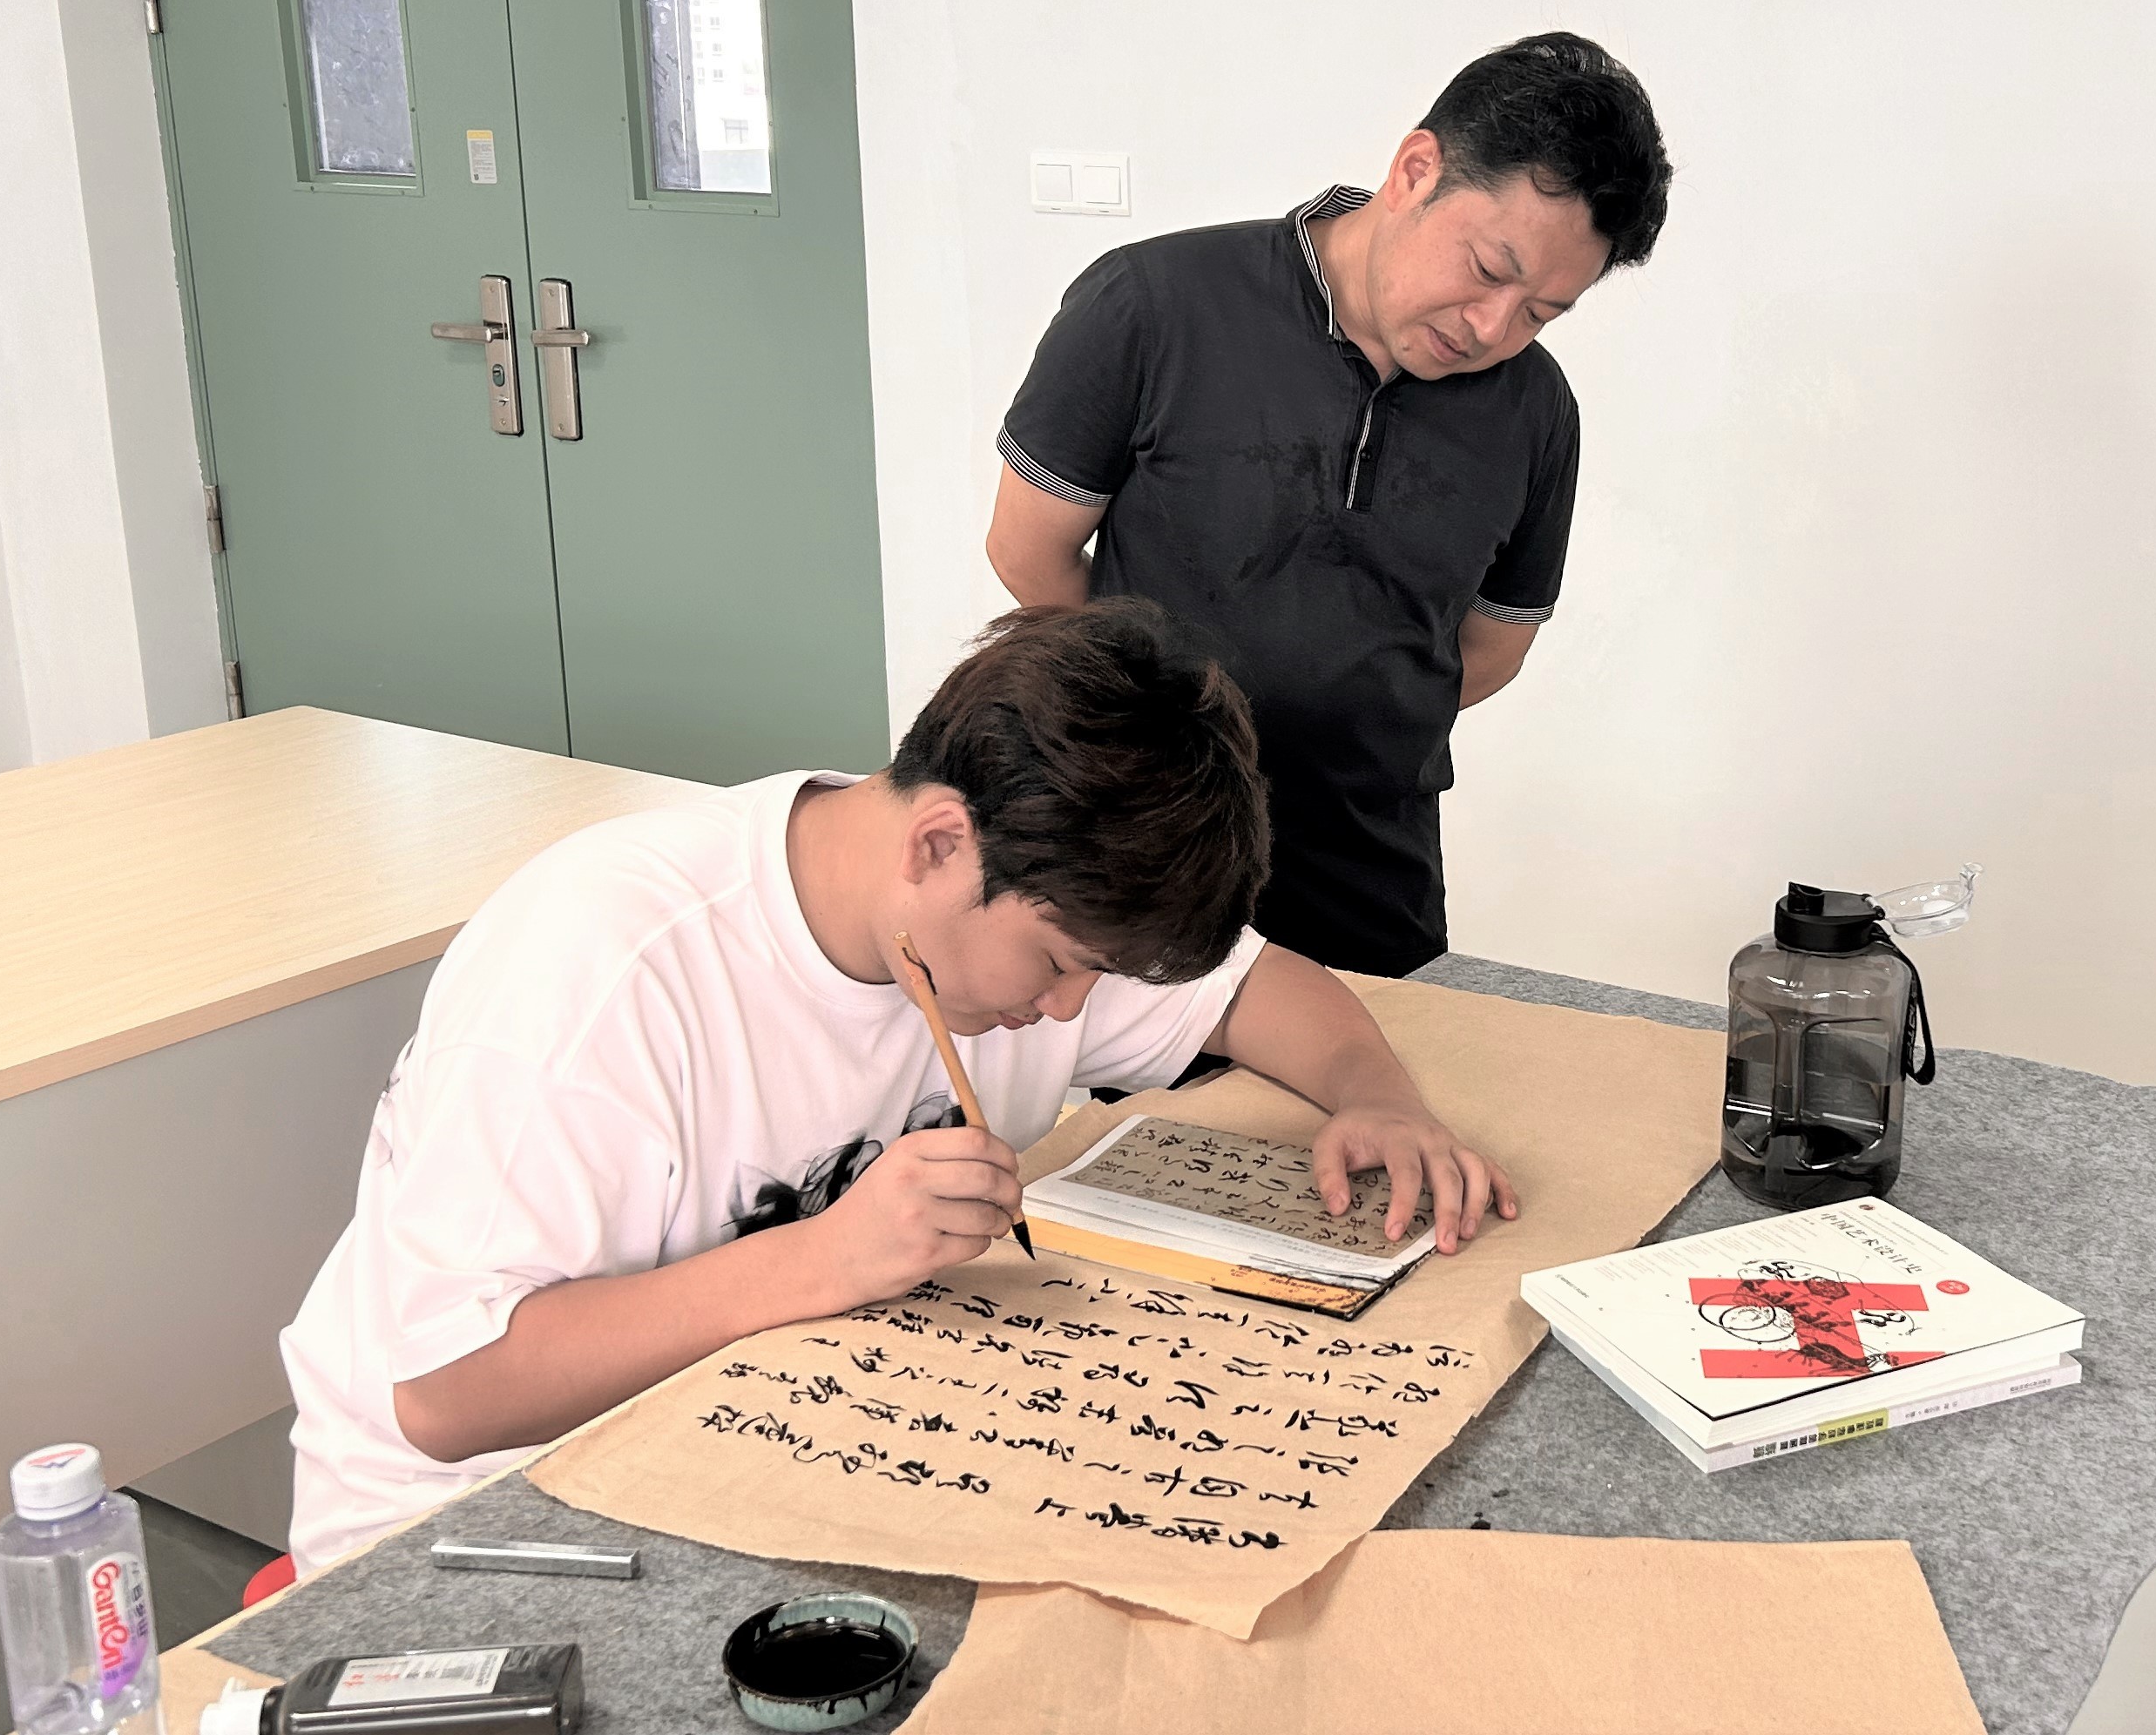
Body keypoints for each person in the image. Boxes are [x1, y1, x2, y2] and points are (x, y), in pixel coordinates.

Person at [276, 600, 1517, 1570]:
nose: (1071, 1012)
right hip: (486, 1521)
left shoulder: (1010, 892)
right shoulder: (604, 965)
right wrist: (831, 1257)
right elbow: (445, 1394)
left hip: (788, 1430)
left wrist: (1376, 1093)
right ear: (937, 842)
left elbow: (1257, 989)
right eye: (1060, 965)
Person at [983, 31, 1673, 976]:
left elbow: (1491, 648)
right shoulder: (1152, 303)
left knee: (1374, 1072)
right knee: (1130, 1073)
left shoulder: (1536, 411)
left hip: (1370, 872)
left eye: (1541, 313)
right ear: (1415, 170)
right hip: (1138, 848)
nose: (1491, 328)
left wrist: (1350, 728)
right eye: (1487, 269)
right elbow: (1028, 550)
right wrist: (1157, 736)